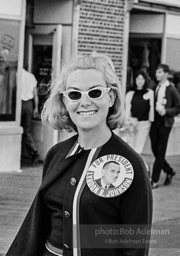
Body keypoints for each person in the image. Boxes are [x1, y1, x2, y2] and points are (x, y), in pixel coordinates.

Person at [6, 52, 152, 256]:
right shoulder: (56, 154)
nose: (84, 102)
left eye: (95, 93)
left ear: (110, 97)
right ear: (65, 101)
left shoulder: (130, 164)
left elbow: (135, 247)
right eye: (74, 94)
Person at [150, 64, 180, 189]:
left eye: (160, 72)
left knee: (161, 150)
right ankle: (169, 170)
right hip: (155, 121)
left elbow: (178, 108)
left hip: (165, 123)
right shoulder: (155, 87)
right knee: (155, 149)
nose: (157, 74)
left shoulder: (172, 89)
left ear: (166, 74)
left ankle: (154, 180)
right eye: (157, 71)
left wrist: (166, 112)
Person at [125, 70, 154, 173]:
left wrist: (150, 122)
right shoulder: (130, 93)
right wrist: (129, 121)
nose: (140, 81)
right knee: (131, 151)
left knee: (138, 150)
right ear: (135, 80)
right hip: (132, 125)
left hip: (144, 125)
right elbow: (127, 110)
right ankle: (142, 170)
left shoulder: (150, 93)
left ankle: (145, 169)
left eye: (142, 79)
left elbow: (151, 111)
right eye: (138, 78)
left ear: (145, 80)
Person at [21, 68, 40, 163]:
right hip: (29, 104)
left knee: (19, 128)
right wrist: (36, 108)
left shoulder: (16, 75)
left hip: (19, 104)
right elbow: (35, 94)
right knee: (27, 130)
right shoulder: (31, 76)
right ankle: (33, 150)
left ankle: (27, 152)